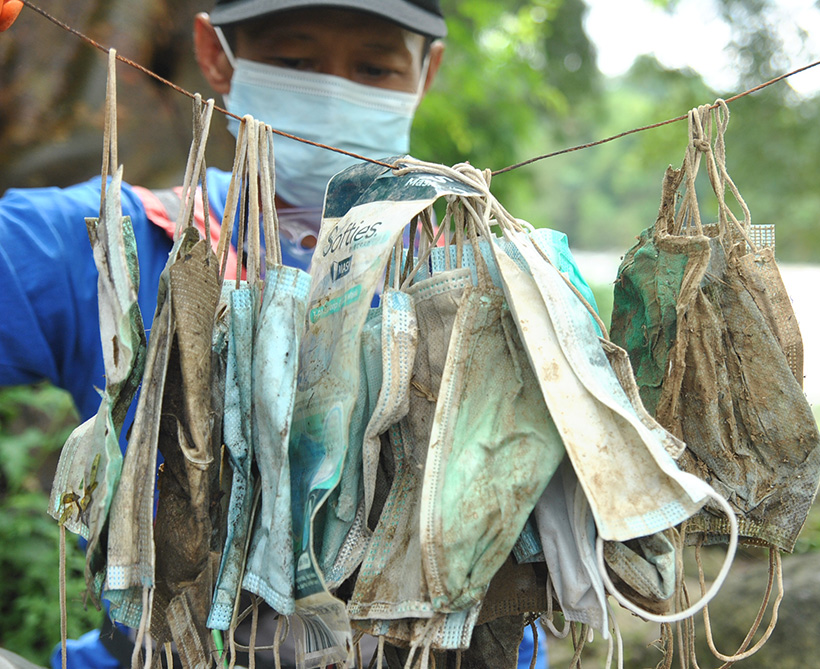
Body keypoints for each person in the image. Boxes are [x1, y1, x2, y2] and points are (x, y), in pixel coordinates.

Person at [0, 1, 546, 667]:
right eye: (294, 60)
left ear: (427, 71)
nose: (333, 93)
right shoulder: (122, 243)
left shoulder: (479, 282)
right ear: (214, 54)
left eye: (374, 66)